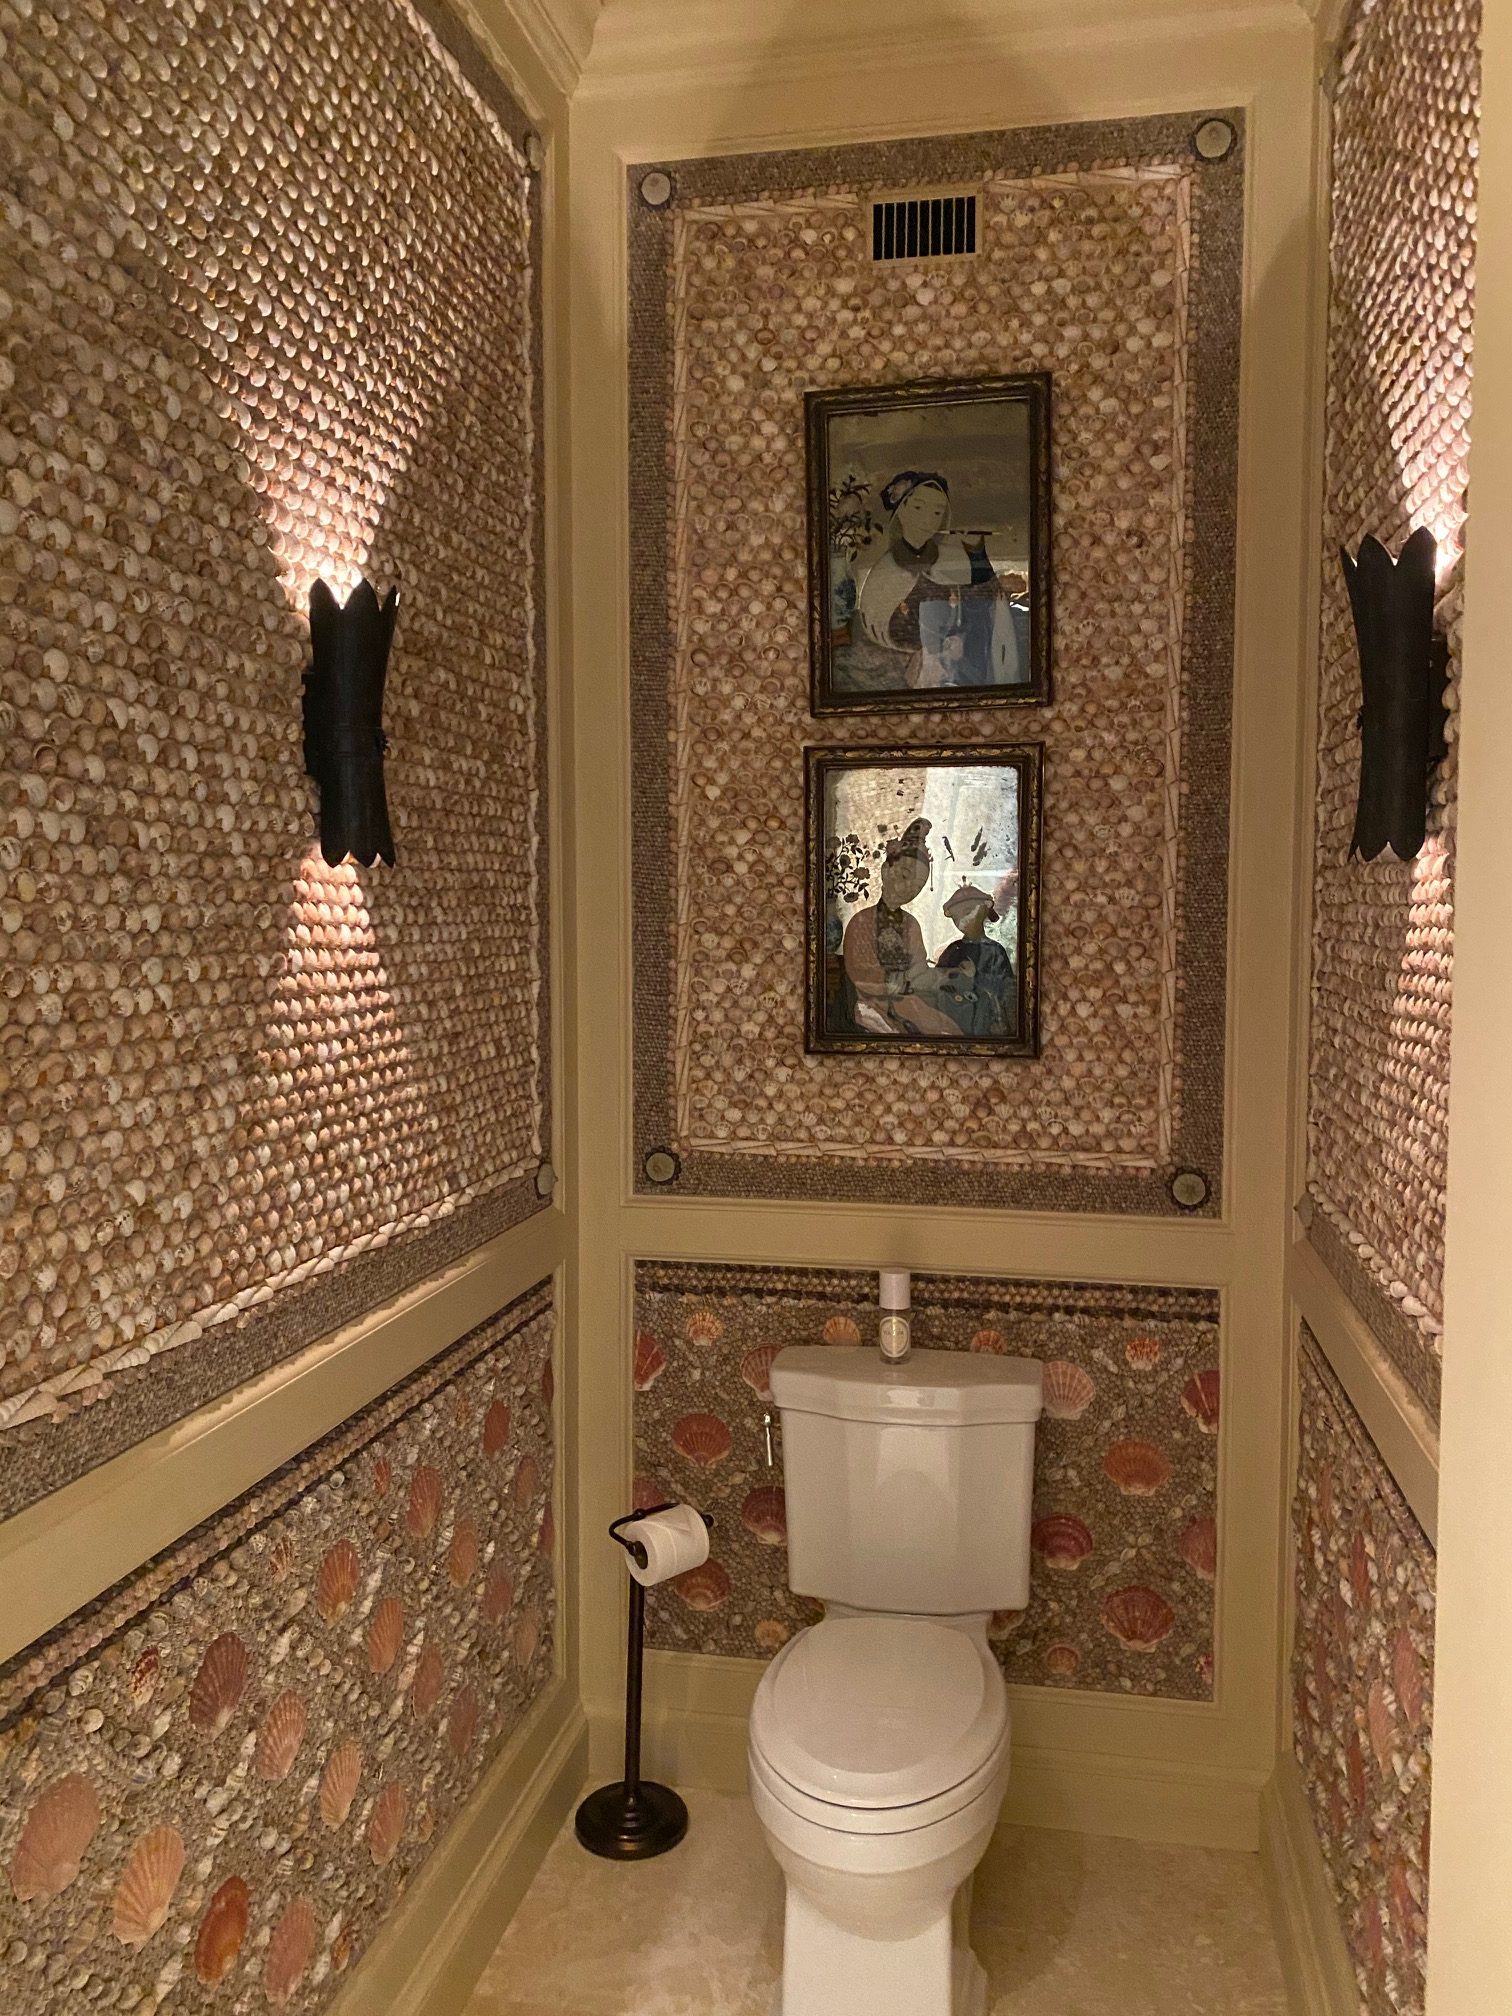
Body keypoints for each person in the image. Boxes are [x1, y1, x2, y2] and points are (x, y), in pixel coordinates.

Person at [851, 471, 1027, 690]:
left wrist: (977, 555)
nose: (928, 519)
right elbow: (892, 626)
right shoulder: (889, 569)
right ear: (901, 511)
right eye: (918, 508)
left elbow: (967, 602)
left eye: (937, 512)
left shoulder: (944, 557)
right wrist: (939, 645)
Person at [838, 819, 960, 1038]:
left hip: (907, 1000)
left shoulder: (911, 924)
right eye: (905, 875)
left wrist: (941, 976)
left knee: (947, 1030)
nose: (909, 887)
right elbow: (860, 971)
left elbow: (919, 967)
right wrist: (892, 982)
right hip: (870, 1003)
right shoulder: (862, 921)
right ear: (886, 870)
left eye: (918, 886)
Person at [935, 883, 1017, 1038]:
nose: (962, 920)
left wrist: (975, 976)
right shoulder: (952, 950)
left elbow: (1005, 988)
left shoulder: (994, 951)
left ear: (984, 910)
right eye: (957, 916)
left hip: (984, 1018)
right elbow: (938, 980)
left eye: (968, 912)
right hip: (954, 1017)